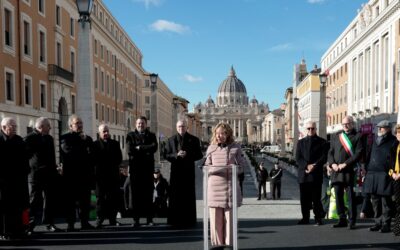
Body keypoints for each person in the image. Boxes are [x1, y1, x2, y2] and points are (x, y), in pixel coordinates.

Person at [204, 122, 245, 247]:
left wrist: (233, 168)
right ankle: (217, 246)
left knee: (230, 221)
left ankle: (229, 246)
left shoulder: (236, 148)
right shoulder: (211, 148)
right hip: (214, 189)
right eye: (217, 134)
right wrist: (219, 168)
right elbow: (205, 167)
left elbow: (242, 168)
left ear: (228, 134)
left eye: (222, 133)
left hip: (230, 189)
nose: (219, 136)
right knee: (216, 222)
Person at [25, 117, 62, 234]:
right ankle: (28, 226)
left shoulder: (50, 138)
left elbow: (52, 157)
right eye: (48, 126)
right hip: (35, 175)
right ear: (41, 127)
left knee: (50, 199)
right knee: (34, 200)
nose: (50, 128)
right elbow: (24, 157)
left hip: (49, 174)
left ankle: (49, 223)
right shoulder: (29, 138)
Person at [164, 119, 203, 228]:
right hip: (176, 172)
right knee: (174, 196)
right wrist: (176, 155)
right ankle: (174, 220)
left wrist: (188, 154)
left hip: (188, 172)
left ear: (187, 127)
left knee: (188, 196)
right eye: (179, 126)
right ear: (176, 128)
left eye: (183, 126)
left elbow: (199, 155)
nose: (181, 128)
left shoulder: (194, 140)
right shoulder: (170, 140)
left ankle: (189, 220)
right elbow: (166, 155)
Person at [60, 115, 95, 231]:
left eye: (81, 123)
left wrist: (85, 144)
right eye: (77, 123)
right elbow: (70, 153)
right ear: (70, 126)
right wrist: (83, 147)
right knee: (70, 201)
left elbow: (92, 155)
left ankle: (85, 222)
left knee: (85, 200)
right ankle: (71, 224)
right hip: (71, 176)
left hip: (85, 175)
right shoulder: (65, 138)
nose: (80, 125)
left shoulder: (88, 139)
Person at [328, 115, 363, 229]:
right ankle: (342, 218)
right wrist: (332, 164)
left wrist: (345, 164)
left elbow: (358, 154)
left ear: (352, 124)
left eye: (347, 124)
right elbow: (330, 152)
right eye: (343, 124)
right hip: (336, 171)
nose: (345, 126)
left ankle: (352, 220)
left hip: (349, 171)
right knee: (338, 196)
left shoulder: (358, 136)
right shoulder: (337, 136)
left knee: (351, 197)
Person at [362, 120, 396, 233]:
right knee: (375, 200)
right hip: (372, 173)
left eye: (382, 127)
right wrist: (365, 168)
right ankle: (377, 222)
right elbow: (368, 155)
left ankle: (386, 224)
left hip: (384, 174)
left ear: (389, 129)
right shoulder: (374, 141)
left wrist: (391, 172)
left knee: (385, 201)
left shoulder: (393, 141)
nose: (379, 129)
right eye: (378, 127)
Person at [0, 117, 30, 240]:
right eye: (12, 126)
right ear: (3, 127)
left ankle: (18, 230)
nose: (15, 128)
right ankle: (4, 232)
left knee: (17, 207)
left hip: (18, 180)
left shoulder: (19, 140)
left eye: (15, 126)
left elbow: (25, 159)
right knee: (4, 208)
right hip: (3, 182)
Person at [295, 121, 329, 225]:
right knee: (304, 198)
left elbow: (323, 157)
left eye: (312, 128)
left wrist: (314, 166)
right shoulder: (300, 142)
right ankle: (305, 218)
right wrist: (306, 165)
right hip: (304, 174)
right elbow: (298, 158)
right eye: (309, 128)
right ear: (306, 129)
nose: (310, 130)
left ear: (316, 129)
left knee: (316, 198)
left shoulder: (323, 142)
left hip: (316, 174)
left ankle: (318, 218)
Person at [126, 116, 158, 227]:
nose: (141, 125)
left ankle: (149, 219)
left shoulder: (152, 135)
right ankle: (136, 220)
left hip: (148, 170)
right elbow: (130, 150)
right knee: (135, 196)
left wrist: (140, 148)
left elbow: (154, 147)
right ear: (136, 124)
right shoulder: (130, 135)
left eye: (143, 123)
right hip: (135, 170)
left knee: (148, 195)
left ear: (146, 124)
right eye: (139, 123)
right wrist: (145, 149)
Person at [92, 124, 123, 228]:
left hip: (113, 176)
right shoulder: (95, 145)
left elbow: (119, 159)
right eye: (103, 132)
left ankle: (112, 219)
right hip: (100, 177)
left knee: (113, 198)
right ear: (99, 133)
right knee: (100, 199)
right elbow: (94, 160)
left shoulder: (115, 143)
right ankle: (99, 219)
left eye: (107, 131)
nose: (106, 133)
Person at [389, 124, 400, 236]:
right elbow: (390, 162)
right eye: (397, 133)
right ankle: (397, 228)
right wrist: (392, 173)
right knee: (397, 203)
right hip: (395, 178)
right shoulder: (394, 146)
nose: (399, 135)